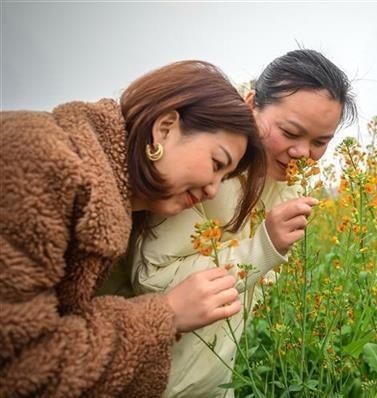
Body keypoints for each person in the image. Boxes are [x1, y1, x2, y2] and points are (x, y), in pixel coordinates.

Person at [0, 60, 266, 397]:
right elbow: (20, 365)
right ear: (165, 127)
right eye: (216, 163)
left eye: (223, 177)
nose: (213, 189)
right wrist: (166, 314)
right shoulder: (38, 161)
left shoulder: (116, 205)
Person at [130, 49, 357, 397]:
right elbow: (152, 277)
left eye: (319, 142)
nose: (303, 153)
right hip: (145, 380)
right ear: (251, 103)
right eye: (290, 131)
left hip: (214, 383)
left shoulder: (287, 185)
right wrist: (264, 246)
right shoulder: (204, 173)